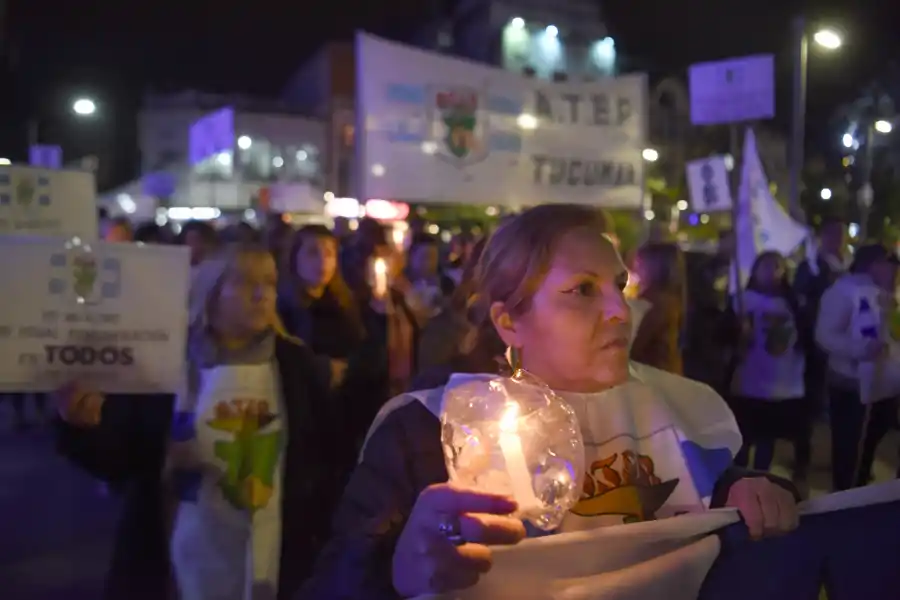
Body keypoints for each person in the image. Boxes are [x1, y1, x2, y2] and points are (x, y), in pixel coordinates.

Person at [299, 204, 799, 599]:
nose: (619, 311)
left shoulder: (680, 408)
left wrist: (753, 493)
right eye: (582, 290)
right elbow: (331, 583)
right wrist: (393, 572)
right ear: (509, 322)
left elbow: (720, 492)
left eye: (619, 286)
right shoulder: (425, 429)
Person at [55, 243, 336, 600]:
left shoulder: (297, 366)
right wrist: (82, 424)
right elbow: (121, 460)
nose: (263, 294)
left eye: (270, 282)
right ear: (211, 290)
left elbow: (329, 459)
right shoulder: (163, 365)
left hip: (275, 560)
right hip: (178, 557)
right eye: (246, 283)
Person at [815, 243, 899, 491]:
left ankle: (860, 487)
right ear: (872, 265)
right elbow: (825, 334)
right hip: (853, 386)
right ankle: (846, 498)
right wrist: (860, 350)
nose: (893, 271)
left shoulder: (885, 294)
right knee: (851, 449)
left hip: (883, 386)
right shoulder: (843, 291)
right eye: (888, 265)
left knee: (870, 443)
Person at [725, 251, 810, 476]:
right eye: (765, 266)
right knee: (742, 440)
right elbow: (722, 337)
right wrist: (737, 333)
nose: (771, 272)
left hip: (781, 385)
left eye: (776, 266)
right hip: (748, 382)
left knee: (767, 441)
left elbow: (806, 338)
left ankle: (759, 479)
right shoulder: (741, 300)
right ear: (754, 271)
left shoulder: (794, 303)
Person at [629, 242, 686, 374]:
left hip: (653, 381)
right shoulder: (670, 299)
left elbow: (632, 344)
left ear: (652, 267)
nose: (635, 269)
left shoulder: (654, 303)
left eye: (639, 264)